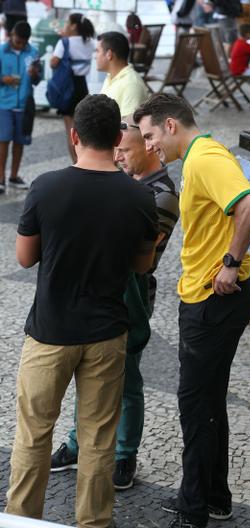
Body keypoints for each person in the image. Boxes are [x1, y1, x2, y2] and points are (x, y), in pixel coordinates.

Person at [5, 93, 159, 528]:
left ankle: (23, 520)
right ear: (116, 138)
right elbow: (142, 264)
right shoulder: (138, 197)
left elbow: (24, 257)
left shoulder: (46, 187)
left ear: (73, 134)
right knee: (97, 439)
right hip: (108, 333)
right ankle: (93, 522)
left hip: (50, 331)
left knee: (34, 435)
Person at [133, 93, 250, 528]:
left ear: (171, 125)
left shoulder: (205, 157)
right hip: (207, 300)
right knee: (208, 402)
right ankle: (213, 498)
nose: (148, 145)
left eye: (150, 135)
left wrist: (229, 263)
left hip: (213, 301)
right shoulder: (197, 159)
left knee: (195, 405)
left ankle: (192, 513)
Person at [50, 115, 180, 491]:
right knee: (85, 372)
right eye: (116, 150)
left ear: (148, 146)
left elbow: (137, 253)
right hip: (100, 291)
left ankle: (125, 455)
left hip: (133, 295)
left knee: (127, 379)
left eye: (125, 150)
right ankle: (76, 444)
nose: (119, 157)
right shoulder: (127, 184)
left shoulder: (163, 194)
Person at [0, 20, 41, 193]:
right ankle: (0, 178)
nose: (21, 45)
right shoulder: (1, 51)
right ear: (11, 35)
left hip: (25, 105)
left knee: (20, 142)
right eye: (18, 41)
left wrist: (35, 74)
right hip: (3, 104)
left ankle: (14, 176)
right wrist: (4, 79)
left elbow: (38, 80)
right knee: (3, 141)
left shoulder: (33, 52)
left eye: (24, 43)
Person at [50, 12, 95, 162]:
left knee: (71, 131)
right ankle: (86, 161)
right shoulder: (89, 42)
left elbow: (53, 63)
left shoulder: (64, 43)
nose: (65, 26)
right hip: (83, 87)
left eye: (67, 23)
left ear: (74, 26)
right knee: (82, 130)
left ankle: (77, 165)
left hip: (68, 87)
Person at [96, 31, 147, 117]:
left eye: (97, 51)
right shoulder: (111, 76)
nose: (95, 56)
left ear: (109, 54)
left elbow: (130, 126)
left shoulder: (131, 84)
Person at [230, 23, 250, 108]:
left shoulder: (239, 42)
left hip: (236, 68)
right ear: (247, 34)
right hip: (240, 70)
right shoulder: (243, 44)